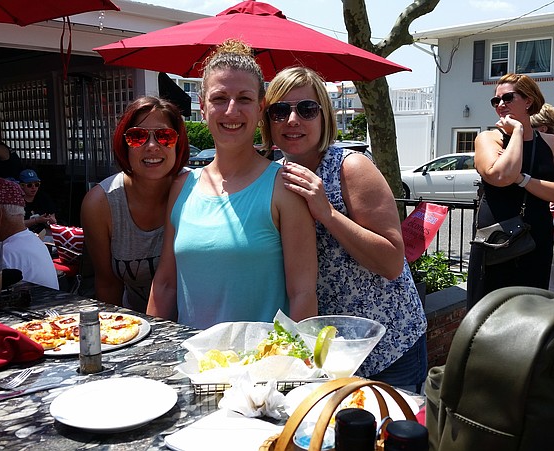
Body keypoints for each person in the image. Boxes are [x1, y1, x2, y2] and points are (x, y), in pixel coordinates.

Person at [261, 66, 428, 392]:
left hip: (387, 348)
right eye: (280, 111)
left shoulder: (350, 168)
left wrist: (327, 213)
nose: (292, 120)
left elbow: (393, 262)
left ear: (324, 117)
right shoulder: (274, 177)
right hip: (325, 352)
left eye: (306, 109)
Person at [147, 40, 318, 328]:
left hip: (261, 366)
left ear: (261, 107)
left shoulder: (284, 188)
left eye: (244, 99)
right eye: (219, 99)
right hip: (192, 361)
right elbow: (165, 285)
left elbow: (302, 294)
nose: (231, 110)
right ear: (202, 108)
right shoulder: (182, 186)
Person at [467, 73, 554, 309]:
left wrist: (523, 179)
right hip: (496, 239)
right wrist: (515, 132)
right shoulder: (488, 138)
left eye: (507, 98)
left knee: (530, 312)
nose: (500, 105)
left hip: (535, 240)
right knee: (488, 313)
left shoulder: (552, 143)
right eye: (496, 101)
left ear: (528, 101)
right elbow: (500, 176)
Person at [80, 96, 190, 312]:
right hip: (136, 325)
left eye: (164, 136)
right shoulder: (100, 204)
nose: (151, 146)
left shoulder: (197, 190)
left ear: (179, 143)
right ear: (124, 143)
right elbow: (108, 283)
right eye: (137, 136)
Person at [18, 168, 58, 234]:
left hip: (43, 233)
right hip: (22, 234)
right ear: (21, 185)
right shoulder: (17, 201)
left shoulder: (44, 198)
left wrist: (51, 222)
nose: (33, 187)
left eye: (36, 184)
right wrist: (36, 220)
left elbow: (52, 218)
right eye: (29, 185)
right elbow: (16, 225)